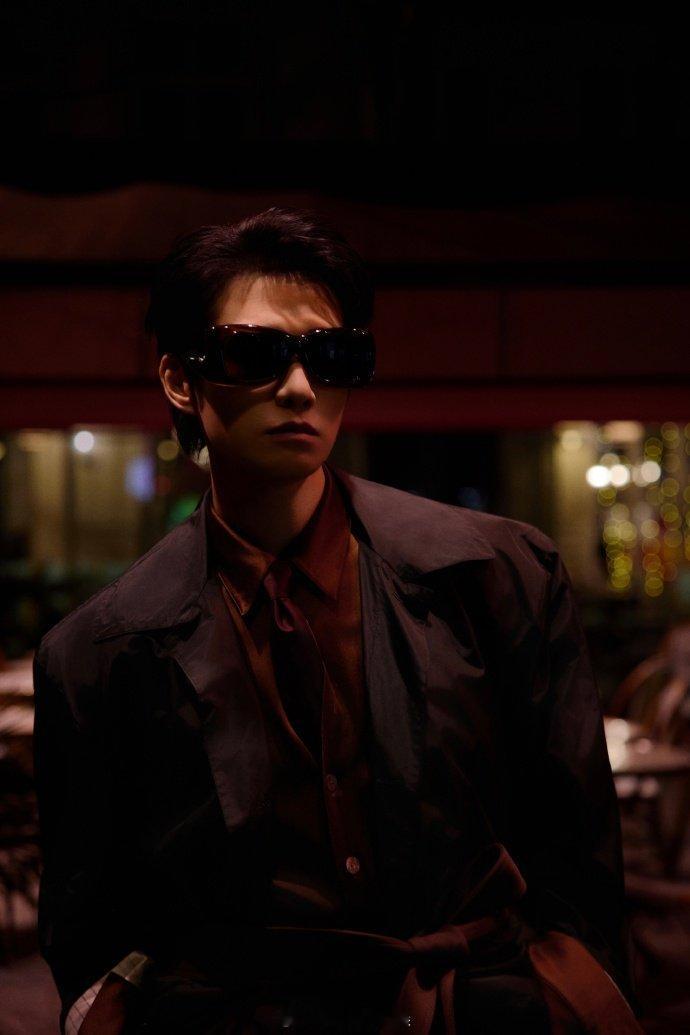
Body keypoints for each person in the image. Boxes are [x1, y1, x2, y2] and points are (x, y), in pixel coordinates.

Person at [33, 207, 642, 1034]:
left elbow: (579, 857)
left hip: (477, 1007)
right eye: (253, 354)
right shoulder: (99, 649)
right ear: (180, 379)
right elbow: (89, 921)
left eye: (332, 356)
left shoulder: (496, 573)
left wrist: (573, 991)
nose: (299, 388)